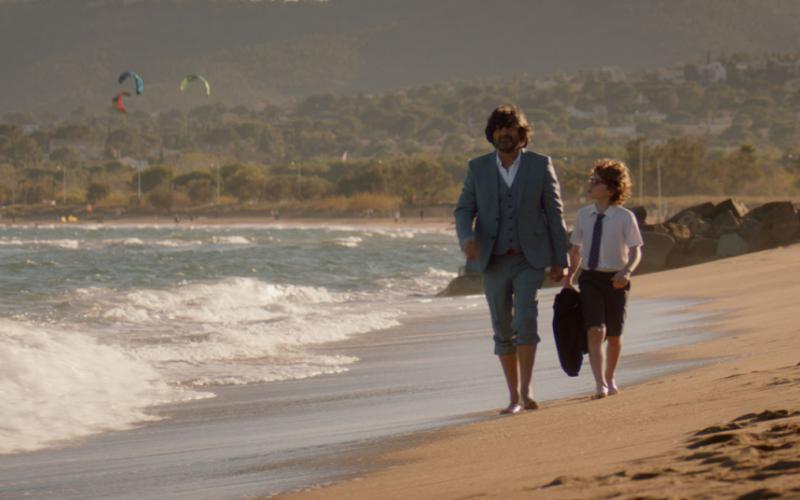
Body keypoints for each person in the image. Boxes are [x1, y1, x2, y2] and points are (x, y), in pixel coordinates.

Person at [454, 105, 569, 414]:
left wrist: (560, 259)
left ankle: (527, 391)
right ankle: (513, 396)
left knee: (526, 318)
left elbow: (555, 213)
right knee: (503, 327)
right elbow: (464, 210)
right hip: (492, 261)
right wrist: (466, 239)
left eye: (510, 128)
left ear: (522, 133)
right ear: (492, 134)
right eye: (499, 128)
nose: (504, 133)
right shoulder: (477, 168)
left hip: (529, 259)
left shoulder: (540, 165)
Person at [564, 159, 643, 399]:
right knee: (595, 329)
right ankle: (600, 383)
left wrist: (626, 271)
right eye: (591, 180)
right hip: (590, 278)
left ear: (610, 189)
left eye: (595, 181)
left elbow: (636, 250)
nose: (590, 184)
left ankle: (610, 377)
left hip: (616, 279)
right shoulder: (583, 215)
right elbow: (576, 250)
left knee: (615, 335)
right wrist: (570, 277)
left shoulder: (625, 217)